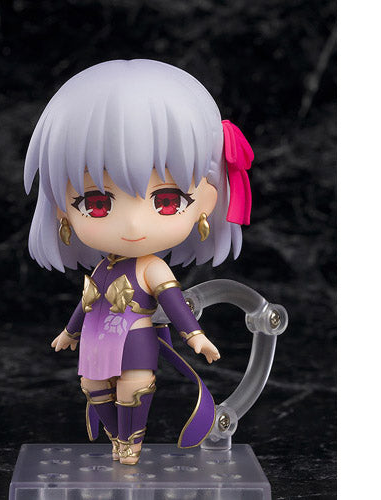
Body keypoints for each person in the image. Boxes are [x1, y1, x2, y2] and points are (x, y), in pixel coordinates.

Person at [24, 59, 254, 465]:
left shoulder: (152, 269)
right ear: (62, 211)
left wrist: (195, 336)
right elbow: (88, 302)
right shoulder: (102, 269)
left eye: (166, 200)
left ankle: (129, 443)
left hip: (135, 338)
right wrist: (69, 332)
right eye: (96, 203)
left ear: (205, 201)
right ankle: (118, 438)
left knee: (134, 388)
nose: (132, 225)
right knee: (93, 387)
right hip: (97, 335)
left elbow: (174, 304)